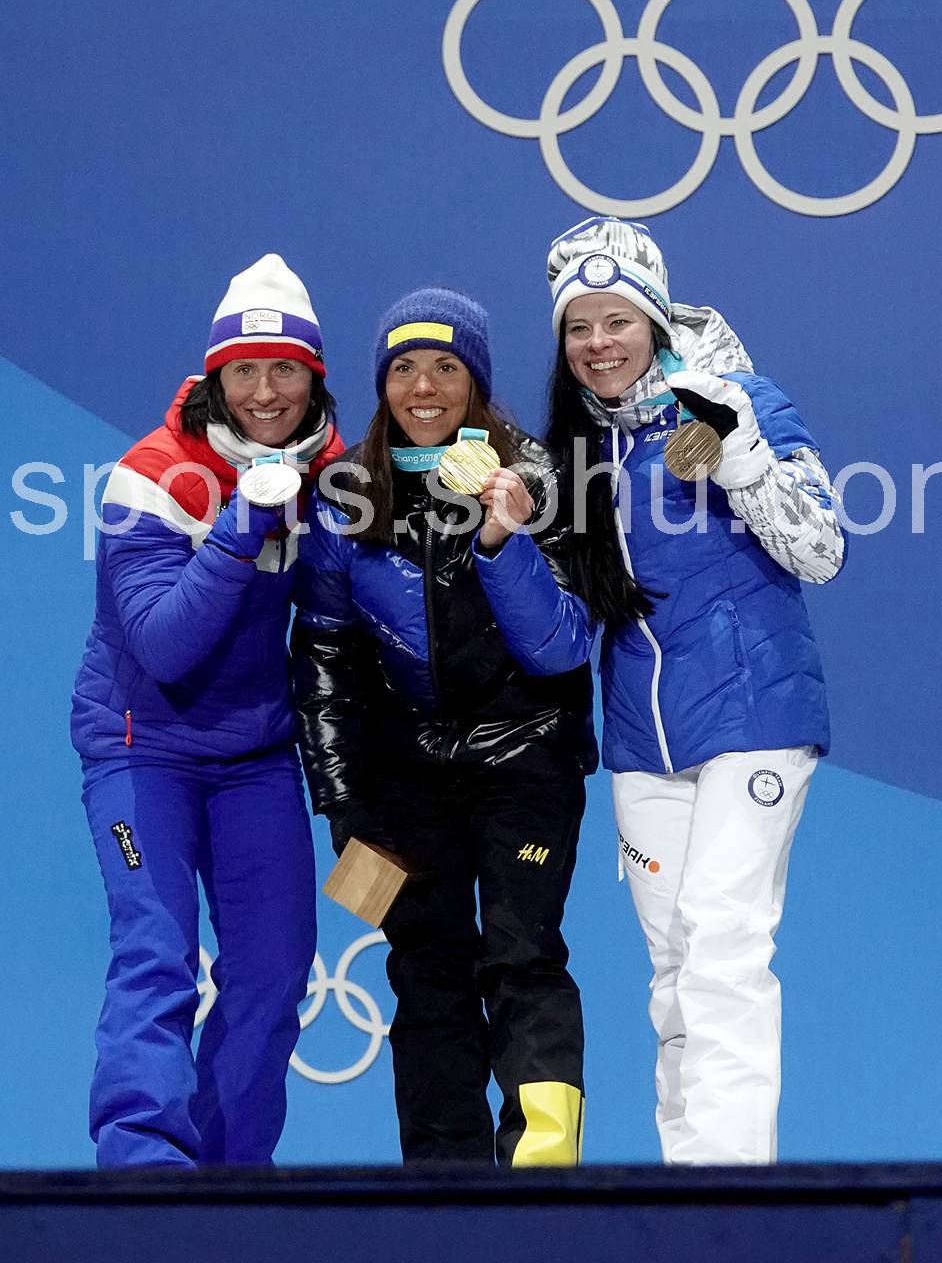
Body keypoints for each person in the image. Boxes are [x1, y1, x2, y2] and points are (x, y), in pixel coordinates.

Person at [544, 216, 846, 1166]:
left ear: (657, 319)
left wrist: (743, 455)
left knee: (722, 949)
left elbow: (824, 550)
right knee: (674, 973)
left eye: (617, 321)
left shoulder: (740, 402)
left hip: (755, 718)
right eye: (578, 327)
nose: (599, 343)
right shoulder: (576, 451)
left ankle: (734, 1202)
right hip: (643, 742)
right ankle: (690, 1194)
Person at [291, 287, 596, 1166]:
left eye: (447, 367)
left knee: (522, 957)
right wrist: (346, 807)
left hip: (525, 756)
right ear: (382, 383)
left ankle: (542, 1176)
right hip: (402, 778)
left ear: (478, 380)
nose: (424, 387)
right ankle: (443, 1192)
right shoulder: (348, 491)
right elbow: (323, 660)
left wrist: (505, 543)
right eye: (404, 369)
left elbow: (561, 649)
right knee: (426, 973)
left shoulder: (538, 476)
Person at [71, 254, 343, 1167]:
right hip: (142, 749)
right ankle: (144, 1177)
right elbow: (164, 647)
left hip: (255, 759)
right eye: (245, 371)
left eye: (285, 370)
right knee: (157, 955)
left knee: (272, 974)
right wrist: (242, 523)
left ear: (314, 375)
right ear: (215, 377)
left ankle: (227, 1189)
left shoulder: (334, 471)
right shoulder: (150, 476)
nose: (266, 392)